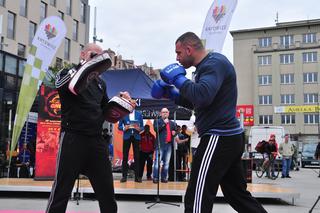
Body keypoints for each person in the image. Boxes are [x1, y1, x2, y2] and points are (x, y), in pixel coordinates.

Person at [152, 32, 266, 212]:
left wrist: (177, 78)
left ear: (189, 49)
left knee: (198, 194)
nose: (177, 58)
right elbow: (197, 101)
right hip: (228, 137)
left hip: (218, 136)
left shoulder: (214, 64)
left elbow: (202, 95)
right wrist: (172, 94)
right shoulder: (206, 67)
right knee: (237, 195)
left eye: (179, 53)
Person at [46, 43, 129, 213]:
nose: (96, 60)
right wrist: (83, 67)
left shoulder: (101, 83)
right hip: (72, 138)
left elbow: (106, 110)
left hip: (96, 141)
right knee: (61, 191)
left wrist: (121, 102)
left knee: (107, 192)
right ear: (83, 54)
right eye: (93, 55)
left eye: (99, 57)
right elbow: (61, 84)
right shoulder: (67, 73)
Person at [118, 110, 144, 183]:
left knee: (137, 157)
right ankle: (124, 177)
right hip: (127, 136)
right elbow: (119, 126)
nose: (132, 106)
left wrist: (139, 129)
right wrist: (124, 127)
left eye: (133, 104)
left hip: (136, 137)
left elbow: (142, 127)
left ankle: (137, 177)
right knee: (125, 157)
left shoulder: (139, 114)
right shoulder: (123, 113)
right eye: (130, 104)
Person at [153, 108, 176, 183]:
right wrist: (164, 123)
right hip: (160, 145)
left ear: (168, 113)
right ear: (161, 113)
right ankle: (155, 178)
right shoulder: (157, 121)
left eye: (166, 112)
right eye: (163, 112)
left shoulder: (172, 123)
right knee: (157, 162)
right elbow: (156, 129)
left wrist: (174, 133)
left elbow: (175, 131)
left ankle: (164, 178)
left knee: (166, 163)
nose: (165, 113)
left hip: (169, 145)